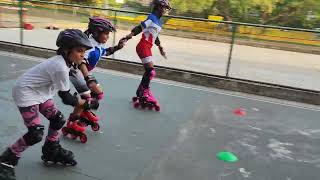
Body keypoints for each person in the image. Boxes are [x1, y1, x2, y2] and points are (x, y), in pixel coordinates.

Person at [0, 29, 98, 179]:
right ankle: (6, 161)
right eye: (79, 50)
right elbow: (66, 98)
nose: (83, 55)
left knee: (57, 119)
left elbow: (77, 81)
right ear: (67, 50)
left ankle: (51, 149)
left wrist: (87, 95)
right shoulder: (59, 66)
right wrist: (86, 104)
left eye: (84, 51)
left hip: (41, 93)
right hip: (26, 93)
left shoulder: (68, 63)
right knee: (35, 133)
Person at [65, 17, 125, 133]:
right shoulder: (87, 44)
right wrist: (88, 78)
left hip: (86, 73)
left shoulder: (98, 43)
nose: (108, 37)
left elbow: (105, 52)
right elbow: (82, 61)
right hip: (76, 72)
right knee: (87, 98)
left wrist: (118, 47)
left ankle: (83, 112)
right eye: (106, 34)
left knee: (98, 94)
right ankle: (72, 123)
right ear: (97, 32)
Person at [120, 0, 171, 111]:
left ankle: (141, 91)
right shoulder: (152, 18)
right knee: (151, 71)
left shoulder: (159, 21)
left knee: (149, 71)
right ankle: (144, 93)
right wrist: (127, 37)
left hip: (147, 47)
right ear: (159, 7)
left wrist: (160, 47)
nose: (166, 10)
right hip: (143, 47)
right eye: (165, 8)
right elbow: (140, 28)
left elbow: (155, 36)